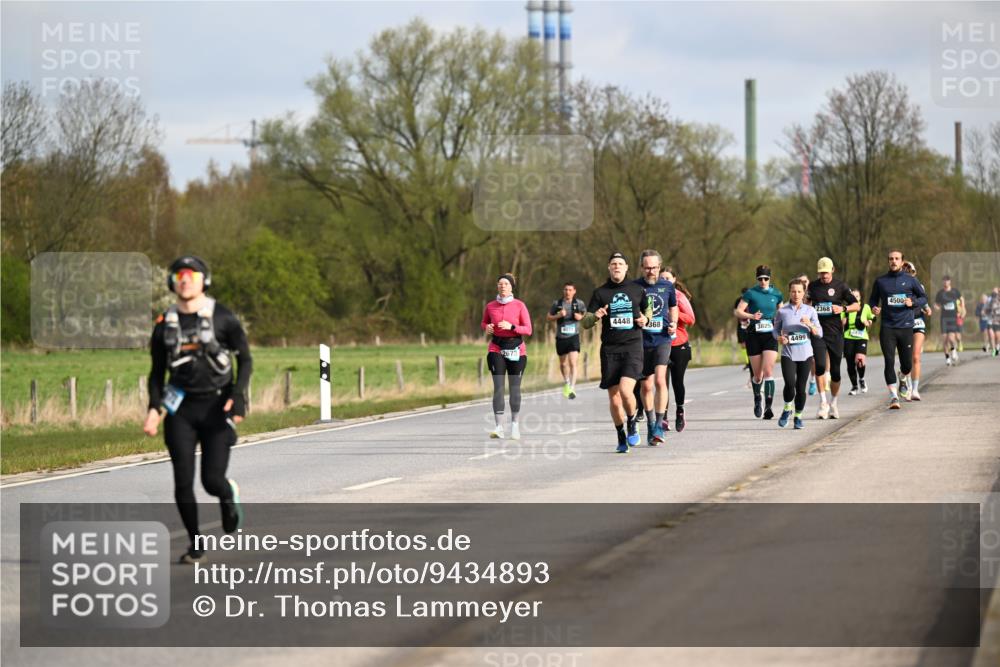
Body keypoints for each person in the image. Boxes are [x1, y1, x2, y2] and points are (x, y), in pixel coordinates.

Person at [143, 256, 252, 564]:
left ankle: (227, 495)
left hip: (217, 406)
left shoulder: (224, 318)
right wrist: (154, 409)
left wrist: (238, 396)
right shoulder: (164, 324)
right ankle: (196, 545)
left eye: (191, 274)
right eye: (179, 275)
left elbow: (245, 359)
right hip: (181, 410)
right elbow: (156, 372)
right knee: (182, 482)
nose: (185, 279)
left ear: (204, 280)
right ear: (172, 282)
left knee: (211, 481)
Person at [581, 252, 651, 453]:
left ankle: (632, 420)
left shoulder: (637, 290)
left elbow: (648, 311)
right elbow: (585, 323)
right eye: (613, 264)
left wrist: (645, 320)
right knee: (613, 397)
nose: (617, 267)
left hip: (632, 347)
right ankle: (621, 434)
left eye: (620, 264)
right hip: (610, 349)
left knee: (625, 390)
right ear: (609, 268)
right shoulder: (600, 293)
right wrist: (596, 316)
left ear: (627, 268)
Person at [868, 250, 928, 409]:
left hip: (906, 327)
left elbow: (923, 298)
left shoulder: (910, 280)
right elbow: (873, 299)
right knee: (889, 361)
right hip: (888, 327)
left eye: (897, 259)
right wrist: (874, 308)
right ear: (888, 261)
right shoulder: (881, 281)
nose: (893, 261)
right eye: (891, 259)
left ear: (902, 262)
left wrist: (913, 303)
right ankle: (894, 396)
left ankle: (903, 377)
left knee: (907, 364)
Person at [805, 257, 859, 419]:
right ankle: (823, 403)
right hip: (818, 333)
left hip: (835, 333)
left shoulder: (840, 286)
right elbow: (806, 304)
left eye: (826, 273)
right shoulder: (813, 286)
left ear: (832, 270)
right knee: (820, 366)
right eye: (821, 273)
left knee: (835, 372)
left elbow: (856, 305)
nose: (824, 276)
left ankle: (833, 403)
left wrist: (842, 308)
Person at [634, 251, 678, 445]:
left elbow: (673, 307)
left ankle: (660, 424)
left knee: (661, 380)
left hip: (662, 339)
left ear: (659, 267)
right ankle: (651, 422)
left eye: (654, 267)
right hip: (641, 341)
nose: (651, 271)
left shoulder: (667, 286)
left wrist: (674, 323)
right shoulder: (634, 287)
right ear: (642, 268)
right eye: (647, 267)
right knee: (646, 385)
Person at [481, 274, 533, 440]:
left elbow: (528, 329)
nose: (502, 286)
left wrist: (511, 326)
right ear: (497, 287)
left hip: (516, 349)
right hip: (496, 348)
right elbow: (484, 323)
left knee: (514, 388)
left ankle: (515, 426)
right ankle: (498, 427)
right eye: (500, 284)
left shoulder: (519, 305)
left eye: (506, 284)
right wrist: (487, 327)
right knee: (498, 387)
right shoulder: (490, 306)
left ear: (511, 287)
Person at [735, 265, 783, 419]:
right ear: (757, 279)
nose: (763, 281)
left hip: (770, 335)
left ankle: (768, 406)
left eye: (766, 279)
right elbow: (738, 311)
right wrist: (751, 316)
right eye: (760, 279)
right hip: (754, 335)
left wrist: (781, 326)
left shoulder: (777, 294)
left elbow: (782, 312)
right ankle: (758, 399)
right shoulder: (751, 293)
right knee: (757, 375)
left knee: (769, 371)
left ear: (770, 278)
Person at [774, 279, 821, 429]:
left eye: (799, 291)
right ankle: (787, 408)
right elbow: (775, 330)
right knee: (790, 384)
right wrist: (779, 338)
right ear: (789, 292)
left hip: (805, 354)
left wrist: (810, 324)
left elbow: (819, 333)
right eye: (793, 291)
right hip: (788, 353)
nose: (796, 294)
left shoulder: (810, 311)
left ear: (804, 293)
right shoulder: (782, 311)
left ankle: (798, 416)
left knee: (801, 388)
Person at [661, 267, 695, 433]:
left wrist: (673, 313)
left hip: (679, 344)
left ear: (674, 280)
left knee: (677, 381)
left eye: (668, 278)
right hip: (660, 343)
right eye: (662, 278)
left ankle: (680, 411)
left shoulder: (679, 297)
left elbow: (691, 319)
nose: (665, 281)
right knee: (661, 383)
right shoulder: (655, 295)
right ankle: (663, 417)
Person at [546, 283, 586, 399]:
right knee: (563, 363)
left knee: (573, 362)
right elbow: (548, 317)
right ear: (563, 291)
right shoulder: (557, 304)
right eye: (565, 290)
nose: (567, 292)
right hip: (561, 337)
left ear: (574, 291)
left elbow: (586, 316)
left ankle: (572, 388)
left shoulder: (579, 303)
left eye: (570, 290)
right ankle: (567, 382)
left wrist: (580, 317)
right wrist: (558, 316)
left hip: (574, 336)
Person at [902, 261, 932, 401]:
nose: (908, 274)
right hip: (903, 323)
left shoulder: (919, 285)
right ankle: (906, 384)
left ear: (914, 273)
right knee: (907, 359)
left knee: (916, 356)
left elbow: (922, 299)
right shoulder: (897, 286)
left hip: (918, 321)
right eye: (905, 271)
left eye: (910, 271)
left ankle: (914, 389)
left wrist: (927, 308)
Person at [842, 289, 875, 395]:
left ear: (860, 297)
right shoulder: (845, 309)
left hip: (861, 337)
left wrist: (868, 322)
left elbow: (872, 317)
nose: (855, 298)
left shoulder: (865, 307)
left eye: (857, 296)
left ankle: (861, 378)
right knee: (850, 364)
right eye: (853, 296)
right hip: (848, 337)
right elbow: (840, 321)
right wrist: (842, 322)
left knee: (860, 360)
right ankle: (854, 386)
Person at [796, 273, 819, 397]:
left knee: (813, 360)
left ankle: (812, 380)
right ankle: (800, 383)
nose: (803, 282)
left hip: (812, 330)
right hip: (799, 332)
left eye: (805, 281)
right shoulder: (796, 295)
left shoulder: (813, 295)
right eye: (800, 280)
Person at [934, 275, 964, 366]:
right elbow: (936, 304)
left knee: (951, 338)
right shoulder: (940, 293)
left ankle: (954, 350)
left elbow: (961, 299)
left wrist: (961, 309)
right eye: (944, 281)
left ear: (950, 282)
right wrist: (936, 307)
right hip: (944, 318)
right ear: (942, 282)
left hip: (953, 317)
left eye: (947, 281)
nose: (945, 282)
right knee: (944, 340)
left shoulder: (955, 291)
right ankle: (947, 358)